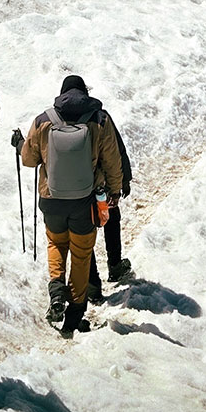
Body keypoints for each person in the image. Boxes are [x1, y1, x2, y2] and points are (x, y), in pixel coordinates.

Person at [15, 75, 123, 338]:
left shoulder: (43, 120)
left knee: (56, 244)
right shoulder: (99, 120)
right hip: (84, 202)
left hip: (51, 200)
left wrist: (19, 144)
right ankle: (74, 314)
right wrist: (115, 190)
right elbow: (112, 160)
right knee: (81, 255)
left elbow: (29, 159)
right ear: (85, 92)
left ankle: (56, 291)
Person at [85, 104, 133, 304]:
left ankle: (92, 287)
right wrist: (123, 180)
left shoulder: (58, 119)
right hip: (101, 188)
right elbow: (117, 150)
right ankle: (115, 266)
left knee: (83, 231)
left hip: (75, 191)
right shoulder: (100, 117)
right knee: (111, 217)